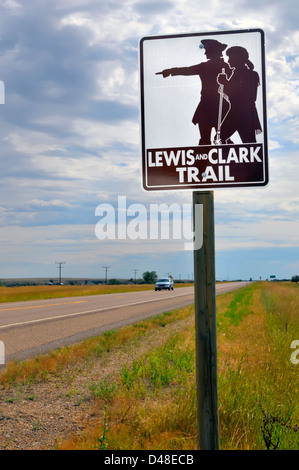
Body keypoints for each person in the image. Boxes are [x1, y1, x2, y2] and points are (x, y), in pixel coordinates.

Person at [156, 39, 231, 145]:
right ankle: (203, 159)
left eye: (207, 50)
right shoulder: (209, 66)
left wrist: (170, 71)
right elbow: (187, 70)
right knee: (207, 138)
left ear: (213, 51)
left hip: (218, 105)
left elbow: (187, 70)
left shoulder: (224, 67)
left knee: (220, 138)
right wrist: (170, 71)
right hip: (206, 105)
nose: (205, 53)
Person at [216, 46, 262, 144]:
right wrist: (225, 83)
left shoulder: (251, 75)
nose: (228, 61)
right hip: (235, 112)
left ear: (238, 58)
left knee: (249, 144)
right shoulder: (236, 74)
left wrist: (226, 83)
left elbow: (247, 96)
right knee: (220, 138)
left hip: (245, 114)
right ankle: (230, 155)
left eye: (230, 58)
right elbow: (232, 95)